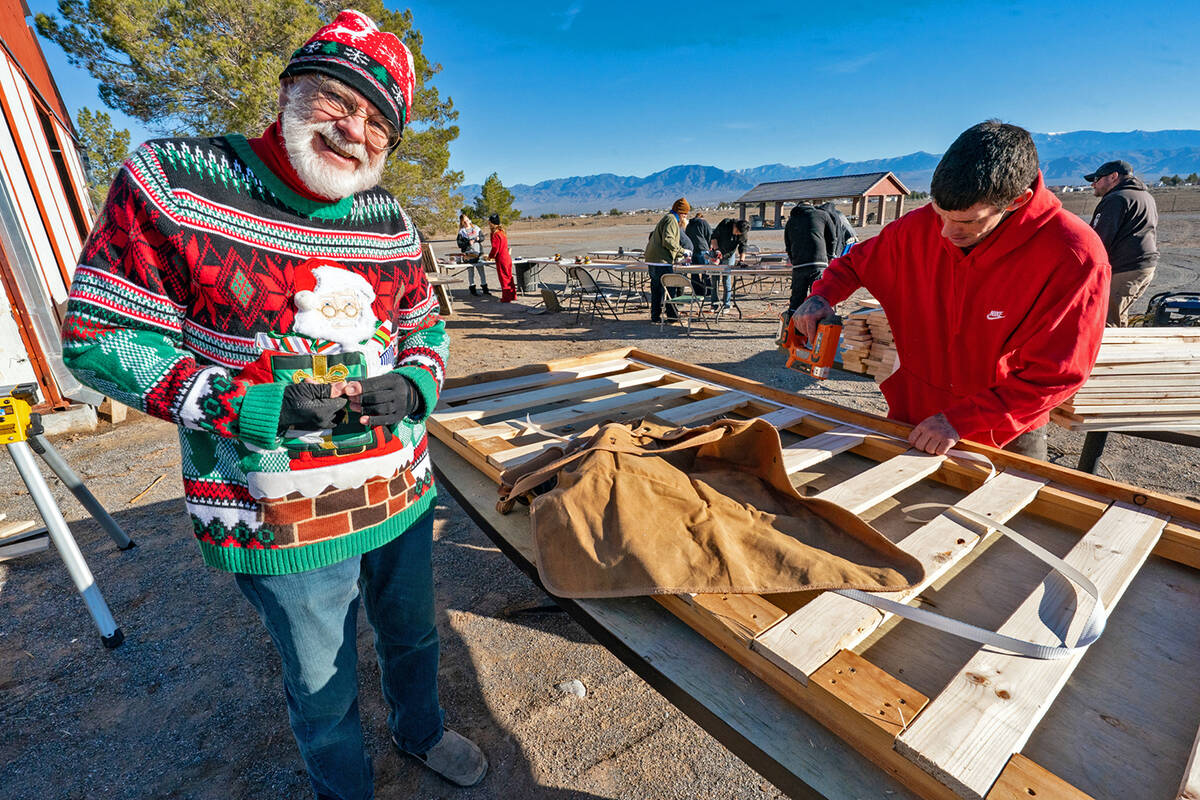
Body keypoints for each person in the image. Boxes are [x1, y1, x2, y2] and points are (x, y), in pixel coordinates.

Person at [59, 11, 487, 798]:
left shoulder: (386, 219)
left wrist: (420, 382)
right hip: (278, 506)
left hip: (399, 486)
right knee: (321, 686)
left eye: (379, 124)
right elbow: (99, 335)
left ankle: (420, 730)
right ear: (289, 89)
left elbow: (423, 323)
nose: (355, 131)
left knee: (413, 632)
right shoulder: (176, 182)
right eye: (338, 100)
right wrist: (242, 409)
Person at [791, 121, 1110, 459]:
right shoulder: (918, 226)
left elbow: (1056, 374)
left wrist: (961, 420)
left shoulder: (1073, 256)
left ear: (1018, 200)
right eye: (940, 214)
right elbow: (855, 263)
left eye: (968, 222)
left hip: (1000, 430)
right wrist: (822, 295)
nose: (946, 232)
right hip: (913, 415)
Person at [1085, 160, 1159, 326]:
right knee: (1119, 316)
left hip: (1125, 268)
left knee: (1106, 320)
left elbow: (1099, 239)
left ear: (1113, 176)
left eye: (1096, 179)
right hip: (1144, 266)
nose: (1093, 185)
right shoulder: (1145, 196)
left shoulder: (1116, 199)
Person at [784, 201, 838, 315]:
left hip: (799, 265)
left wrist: (793, 259)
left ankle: (792, 323)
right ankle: (821, 324)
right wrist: (830, 256)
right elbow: (833, 238)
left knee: (796, 300)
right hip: (818, 263)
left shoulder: (791, 221)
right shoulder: (822, 215)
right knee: (819, 297)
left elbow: (787, 244)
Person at [644, 197, 690, 322]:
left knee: (656, 289)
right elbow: (668, 240)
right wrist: (682, 251)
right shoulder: (671, 220)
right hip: (661, 261)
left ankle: (655, 316)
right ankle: (672, 316)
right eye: (685, 214)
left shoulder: (667, 218)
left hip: (653, 259)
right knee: (670, 288)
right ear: (681, 213)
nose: (685, 217)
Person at [708, 217, 749, 310]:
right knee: (715, 279)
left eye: (739, 234)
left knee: (726, 279)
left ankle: (726, 304)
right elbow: (713, 237)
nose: (737, 234)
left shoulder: (743, 233)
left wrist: (741, 261)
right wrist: (717, 250)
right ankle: (714, 304)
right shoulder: (725, 224)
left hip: (729, 255)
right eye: (737, 232)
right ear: (735, 226)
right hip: (716, 252)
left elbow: (743, 247)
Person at [487, 213, 517, 302]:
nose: (488, 223)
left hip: (501, 258)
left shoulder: (496, 234)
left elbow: (495, 248)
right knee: (509, 277)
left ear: (492, 223)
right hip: (507, 257)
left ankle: (506, 298)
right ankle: (512, 295)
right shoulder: (502, 232)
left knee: (503, 278)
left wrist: (490, 256)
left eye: (489, 222)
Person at [456, 213, 488, 296]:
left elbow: (482, 237)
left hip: (478, 253)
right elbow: (459, 244)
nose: (466, 222)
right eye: (464, 221)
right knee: (471, 273)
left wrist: (479, 238)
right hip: (468, 255)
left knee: (481, 271)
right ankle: (472, 290)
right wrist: (467, 243)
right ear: (462, 223)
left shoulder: (476, 228)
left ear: (469, 220)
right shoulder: (461, 232)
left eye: (467, 220)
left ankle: (485, 289)